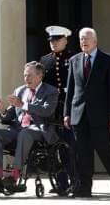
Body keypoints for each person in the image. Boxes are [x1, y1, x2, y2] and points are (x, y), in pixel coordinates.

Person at [0, 61, 59, 190]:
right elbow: (9, 116)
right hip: (17, 129)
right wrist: (3, 111)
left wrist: (24, 105)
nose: (26, 78)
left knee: (25, 133)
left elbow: (47, 111)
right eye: (25, 75)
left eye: (30, 75)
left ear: (40, 76)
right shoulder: (20, 90)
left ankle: (14, 175)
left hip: (38, 129)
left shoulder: (50, 91)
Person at [64, 27, 110, 197]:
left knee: (104, 151)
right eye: (81, 39)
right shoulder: (74, 60)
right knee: (82, 152)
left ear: (95, 41)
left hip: (100, 116)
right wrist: (67, 113)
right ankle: (84, 188)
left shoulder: (108, 60)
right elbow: (71, 89)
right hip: (79, 115)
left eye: (87, 38)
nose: (83, 42)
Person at [40, 25, 75, 194]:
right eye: (51, 41)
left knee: (70, 146)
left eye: (57, 40)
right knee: (54, 147)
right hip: (52, 109)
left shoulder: (74, 57)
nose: (53, 43)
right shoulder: (45, 60)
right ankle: (61, 183)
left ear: (65, 40)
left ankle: (76, 181)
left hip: (69, 107)